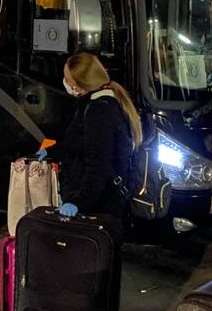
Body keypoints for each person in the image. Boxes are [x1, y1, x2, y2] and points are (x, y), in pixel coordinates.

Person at [42, 52, 142, 221]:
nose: (64, 81)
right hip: (100, 202)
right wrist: (51, 151)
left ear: (79, 84)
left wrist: (79, 203)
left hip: (99, 208)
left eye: (67, 78)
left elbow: (98, 165)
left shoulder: (99, 111)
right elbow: (83, 145)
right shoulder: (100, 102)